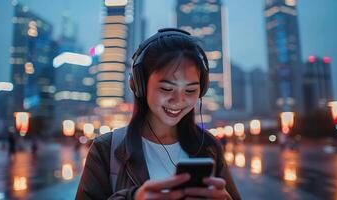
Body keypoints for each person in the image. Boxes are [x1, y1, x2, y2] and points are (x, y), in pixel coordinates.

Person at [76, 28, 241, 200]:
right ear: (139, 85)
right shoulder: (105, 149)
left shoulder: (209, 147)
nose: (178, 100)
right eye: (166, 88)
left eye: (190, 90)